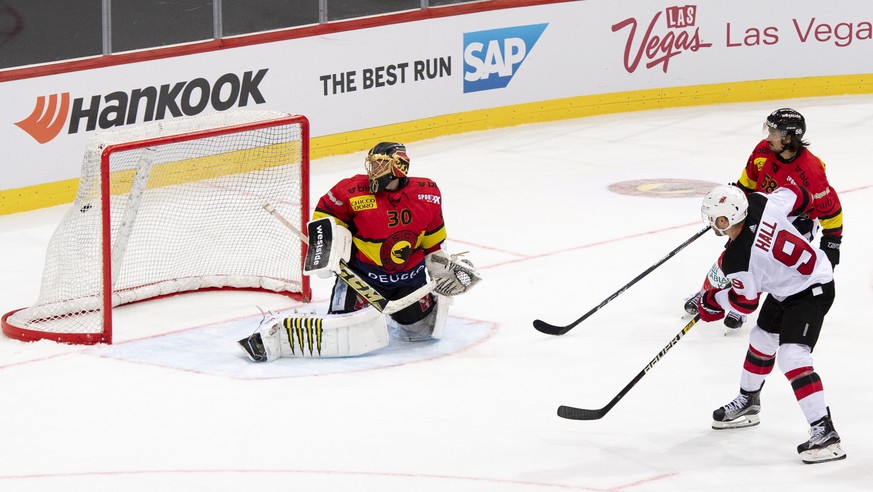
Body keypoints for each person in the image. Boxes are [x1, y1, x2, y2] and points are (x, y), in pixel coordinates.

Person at [238, 142, 480, 361]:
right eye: (372, 163)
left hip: (410, 279)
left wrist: (441, 267)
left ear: (399, 167)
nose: (373, 169)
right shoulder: (350, 191)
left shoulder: (427, 191)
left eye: (380, 164)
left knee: (423, 332)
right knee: (342, 332)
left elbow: (434, 239)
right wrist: (325, 248)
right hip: (361, 279)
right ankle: (280, 327)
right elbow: (324, 217)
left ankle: (390, 316)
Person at [696, 184, 845, 464]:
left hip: (812, 288)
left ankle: (825, 433)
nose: (712, 224)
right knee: (762, 340)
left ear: (726, 219)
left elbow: (744, 303)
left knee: (792, 356)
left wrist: (712, 301)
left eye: (715, 219)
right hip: (788, 285)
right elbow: (799, 193)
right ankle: (749, 402)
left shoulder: (737, 260)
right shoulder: (759, 202)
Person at [684, 108, 843, 329]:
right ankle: (705, 294)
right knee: (730, 257)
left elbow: (831, 211)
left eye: (774, 133)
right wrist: (732, 207)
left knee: (763, 261)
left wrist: (832, 246)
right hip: (762, 210)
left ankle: (740, 307)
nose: (768, 137)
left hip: (797, 222)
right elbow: (746, 184)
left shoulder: (812, 171)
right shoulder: (762, 151)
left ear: (788, 137)